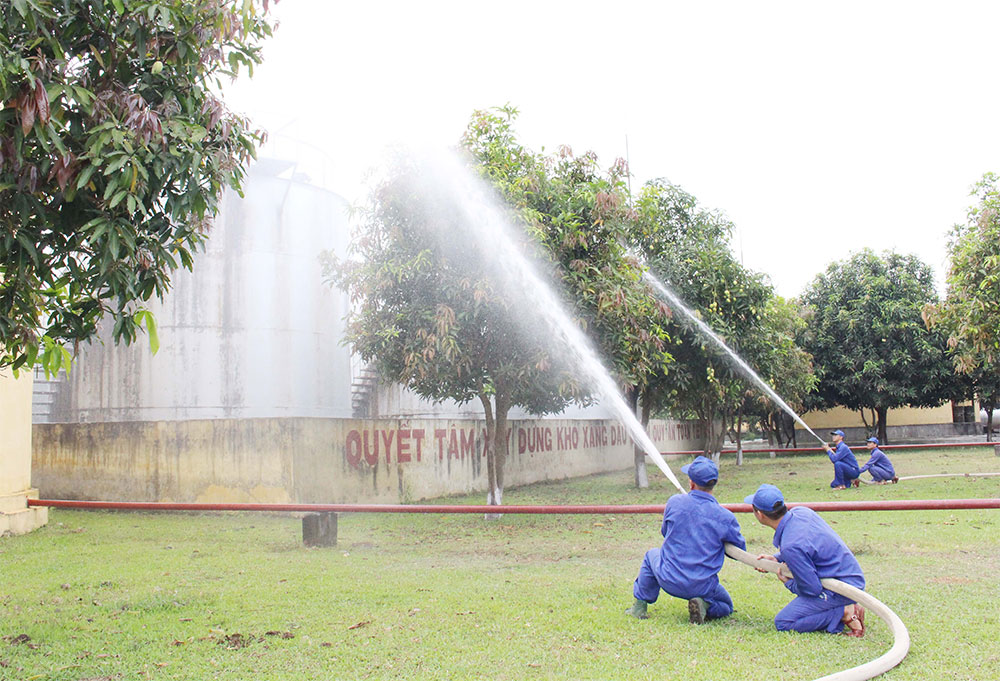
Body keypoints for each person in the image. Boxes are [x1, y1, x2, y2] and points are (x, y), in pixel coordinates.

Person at [626, 456, 747, 624]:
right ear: (714, 483)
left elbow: (665, 532)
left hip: (668, 578)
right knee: (726, 606)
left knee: (651, 555)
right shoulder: (725, 517)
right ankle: (703, 603)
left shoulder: (675, 502)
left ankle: (639, 606)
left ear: (691, 483)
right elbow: (739, 551)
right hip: (702, 585)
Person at [744, 483, 866, 637]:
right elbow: (806, 547)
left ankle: (844, 611)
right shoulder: (802, 512)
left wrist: (789, 583)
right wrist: (776, 558)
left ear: (759, 514)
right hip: (849, 575)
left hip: (841, 588)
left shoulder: (791, 545)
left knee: (784, 623)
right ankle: (841, 607)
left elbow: (812, 589)